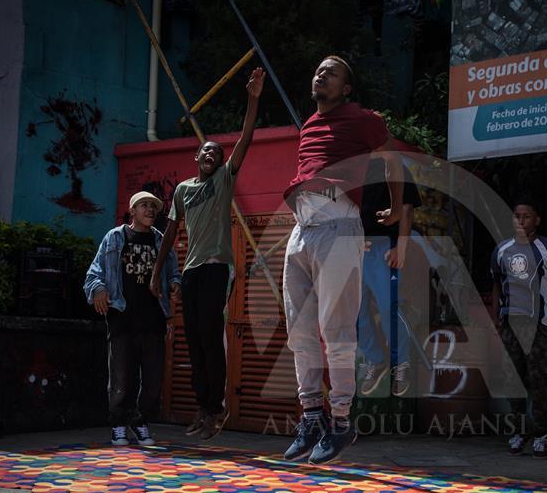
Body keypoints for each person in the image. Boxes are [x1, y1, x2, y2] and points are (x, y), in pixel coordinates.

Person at [281, 55, 403, 465]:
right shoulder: (309, 124)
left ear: (347, 88)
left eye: (331, 72)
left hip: (338, 226)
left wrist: (398, 206)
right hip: (301, 229)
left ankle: (340, 420)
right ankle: (311, 415)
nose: (321, 75)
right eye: (318, 70)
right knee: (299, 332)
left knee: (335, 331)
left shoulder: (364, 118)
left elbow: (392, 159)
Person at [150, 68, 266, 441]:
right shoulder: (183, 190)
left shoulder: (224, 179)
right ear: (196, 156)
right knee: (193, 340)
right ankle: (203, 408)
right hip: (191, 271)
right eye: (205, 151)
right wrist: (157, 273)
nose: (211, 155)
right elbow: (170, 232)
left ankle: (217, 409)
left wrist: (252, 99)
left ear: (220, 162)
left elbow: (246, 139)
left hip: (217, 268)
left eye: (216, 153)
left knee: (211, 336)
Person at [85, 191, 182, 446]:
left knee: (152, 380)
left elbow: (174, 271)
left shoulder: (161, 241)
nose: (150, 210)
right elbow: (94, 272)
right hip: (122, 319)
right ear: (132, 210)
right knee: (121, 378)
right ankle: (118, 423)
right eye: (144, 205)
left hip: (153, 319)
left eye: (153, 206)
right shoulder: (115, 237)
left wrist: (174, 284)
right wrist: (98, 289)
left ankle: (140, 422)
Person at [490, 199, 547, 459]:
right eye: (517, 216)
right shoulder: (502, 249)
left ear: (537, 220)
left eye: (527, 216)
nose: (521, 221)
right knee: (512, 378)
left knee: (539, 378)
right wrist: (496, 319)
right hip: (510, 323)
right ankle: (517, 432)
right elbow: (495, 285)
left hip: (540, 323)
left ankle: (541, 435)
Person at [357, 159, 421, 398]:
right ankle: (374, 359)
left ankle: (401, 364)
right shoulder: (356, 168)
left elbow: (407, 208)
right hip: (356, 247)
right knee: (354, 309)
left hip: (386, 247)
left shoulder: (397, 167)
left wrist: (401, 248)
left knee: (388, 308)